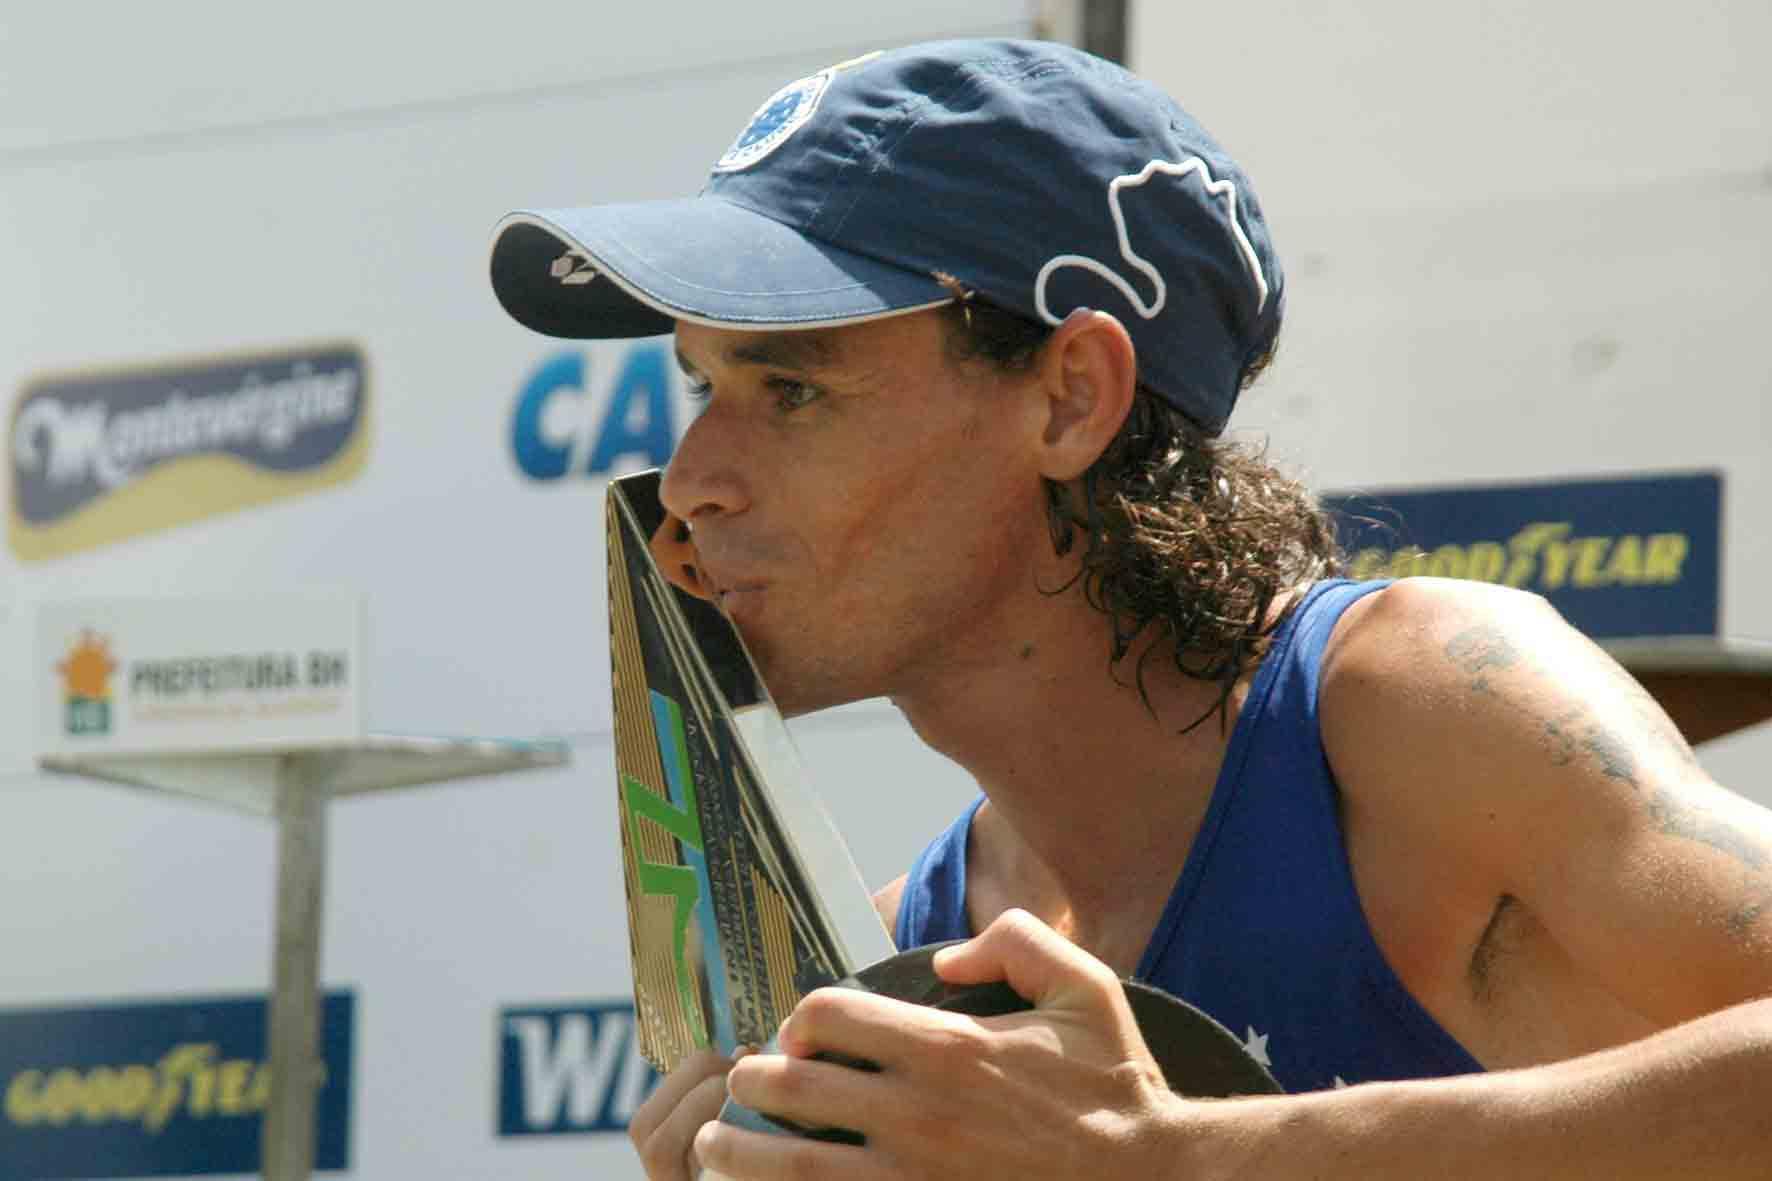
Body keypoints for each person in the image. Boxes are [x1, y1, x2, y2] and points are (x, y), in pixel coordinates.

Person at [490, 38, 1772, 1180]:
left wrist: (1171, 1156)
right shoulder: (912, 953)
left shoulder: (1409, 708)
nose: (693, 481)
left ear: (1068, 397)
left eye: (792, 391)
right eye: (700, 386)